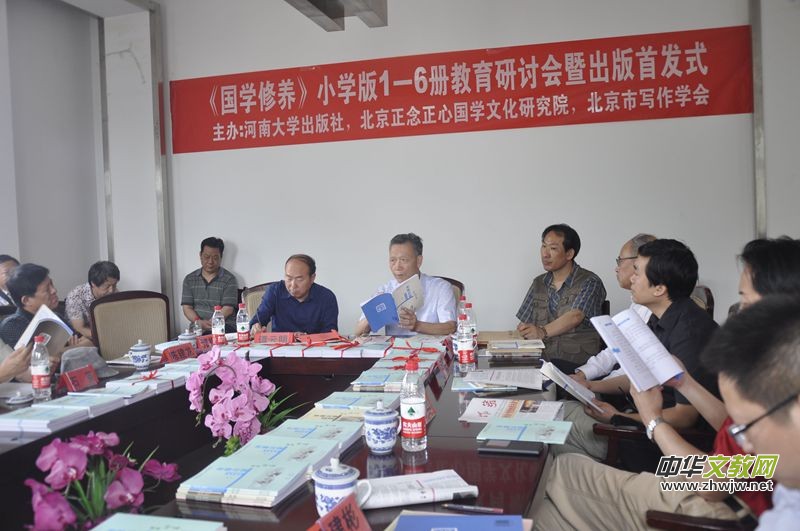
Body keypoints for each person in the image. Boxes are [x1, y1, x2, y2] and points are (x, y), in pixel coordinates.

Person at [533, 238, 800, 530]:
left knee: (556, 478)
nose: (739, 315)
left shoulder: (769, 375)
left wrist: (650, 421)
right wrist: (686, 384)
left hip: (722, 499)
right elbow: (733, 434)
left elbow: (716, 483)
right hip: (712, 475)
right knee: (557, 481)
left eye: (746, 302)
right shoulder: (768, 375)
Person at [552, 239, 718, 461]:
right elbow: (640, 376)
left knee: (553, 428)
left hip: (659, 443)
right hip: (640, 421)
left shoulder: (689, 333)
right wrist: (590, 385)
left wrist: (617, 417)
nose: (632, 278)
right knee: (560, 412)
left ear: (659, 288)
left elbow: (685, 417)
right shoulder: (661, 320)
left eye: (637, 272)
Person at [704, 296, 800, 529]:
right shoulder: (790, 489)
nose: (746, 447)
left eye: (746, 428)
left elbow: (711, 486)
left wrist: (654, 423)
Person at [566, 233, 656, 392]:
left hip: (632, 390)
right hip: (615, 381)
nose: (616, 268)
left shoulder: (657, 313)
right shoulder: (637, 304)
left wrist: (594, 387)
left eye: (620, 261)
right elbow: (615, 349)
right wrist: (583, 374)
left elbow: (637, 371)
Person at [516, 223, 606, 364]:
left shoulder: (590, 281)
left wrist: (542, 332)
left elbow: (576, 316)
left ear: (569, 254)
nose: (545, 254)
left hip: (577, 366)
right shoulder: (538, 283)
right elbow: (524, 322)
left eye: (553, 248)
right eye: (543, 246)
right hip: (542, 362)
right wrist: (524, 330)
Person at [354, 233, 456, 336]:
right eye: (392, 260)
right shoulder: (385, 290)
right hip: (394, 346)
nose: (397, 267)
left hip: (429, 346)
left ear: (419, 261)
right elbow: (358, 332)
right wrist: (374, 313)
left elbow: (451, 327)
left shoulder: (440, 288)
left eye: (403, 260)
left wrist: (417, 325)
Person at [0, 263, 90, 368]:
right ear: (27, 300)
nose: (54, 290)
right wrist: (74, 348)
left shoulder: (56, 316)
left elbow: (90, 343)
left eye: (52, 284)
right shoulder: (12, 325)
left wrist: (61, 351)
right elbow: (35, 361)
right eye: (47, 289)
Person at [249, 254, 339, 334]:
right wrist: (256, 327)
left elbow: (330, 334)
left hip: (314, 346)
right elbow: (258, 320)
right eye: (289, 278)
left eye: (299, 279)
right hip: (281, 346)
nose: (293, 285)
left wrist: (304, 339)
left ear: (312, 278)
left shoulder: (326, 297)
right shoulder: (275, 291)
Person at [181, 237, 239, 333]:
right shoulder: (189, 279)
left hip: (223, 327)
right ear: (200, 255)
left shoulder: (229, 279)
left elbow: (228, 309)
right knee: (177, 341)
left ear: (221, 257)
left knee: (207, 336)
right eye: (207, 257)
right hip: (197, 327)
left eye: (215, 258)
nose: (210, 261)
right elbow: (187, 308)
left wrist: (212, 323)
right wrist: (198, 322)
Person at [65, 261, 120, 341]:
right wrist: (107, 337)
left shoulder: (114, 292)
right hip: (78, 335)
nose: (111, 290)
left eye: (114, 285)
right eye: (107, 286)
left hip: (104, 331)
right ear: (93, 283)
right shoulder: (75, 296)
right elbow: (80, 328)